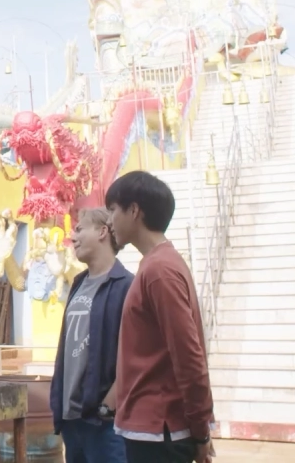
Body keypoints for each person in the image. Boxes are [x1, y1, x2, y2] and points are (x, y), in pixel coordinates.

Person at [105, 171, 215, 463]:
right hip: (154, 429)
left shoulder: (159, 271)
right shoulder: (157, 265)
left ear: (134, 210)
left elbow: (189, 356)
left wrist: (201, 429)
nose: (109, 220)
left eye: (113, 210)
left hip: (160, 431)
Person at [51, 206, 133, 463]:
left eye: (79, 229)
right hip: (71, 420)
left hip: (104, 423)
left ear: (102, 231)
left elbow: (134, 353)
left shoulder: (127, 286)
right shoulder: (77, 283)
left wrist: (108, 405)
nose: (72, 237)